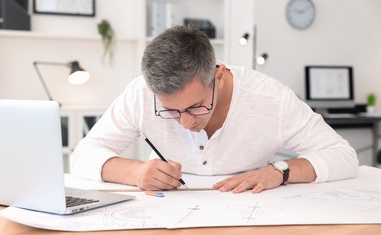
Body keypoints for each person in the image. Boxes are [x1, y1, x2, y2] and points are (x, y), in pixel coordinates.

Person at [71, 25, 358, 194]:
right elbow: (83, 155)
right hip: (164, 220)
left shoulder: (272, 99)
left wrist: (280, 171)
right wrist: (134, 173)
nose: (184, 123)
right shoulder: (140, 93)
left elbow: (343, 156)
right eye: (170, 110)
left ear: (218, 76)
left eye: (196, 107)